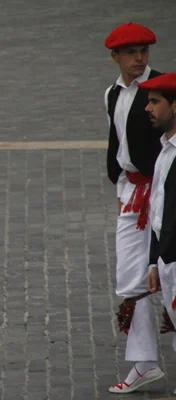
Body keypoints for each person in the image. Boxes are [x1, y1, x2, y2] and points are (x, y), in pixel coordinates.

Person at [103, 22, 165, 394]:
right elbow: (117, 139)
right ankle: (145, 363)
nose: (139, 58)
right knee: (129, 278)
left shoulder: (162, 90)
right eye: (131, 52)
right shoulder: (111, 93)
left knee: (169, 273)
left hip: (161, 191)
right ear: (115, 57)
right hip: (131, 193)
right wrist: (120, 184)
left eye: (144, 50)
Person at [144, 72, 176, 396]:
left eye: (155, 102)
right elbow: (157, 210)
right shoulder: (164, 150)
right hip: (167, 262)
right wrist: (154, 262)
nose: (147, 108)